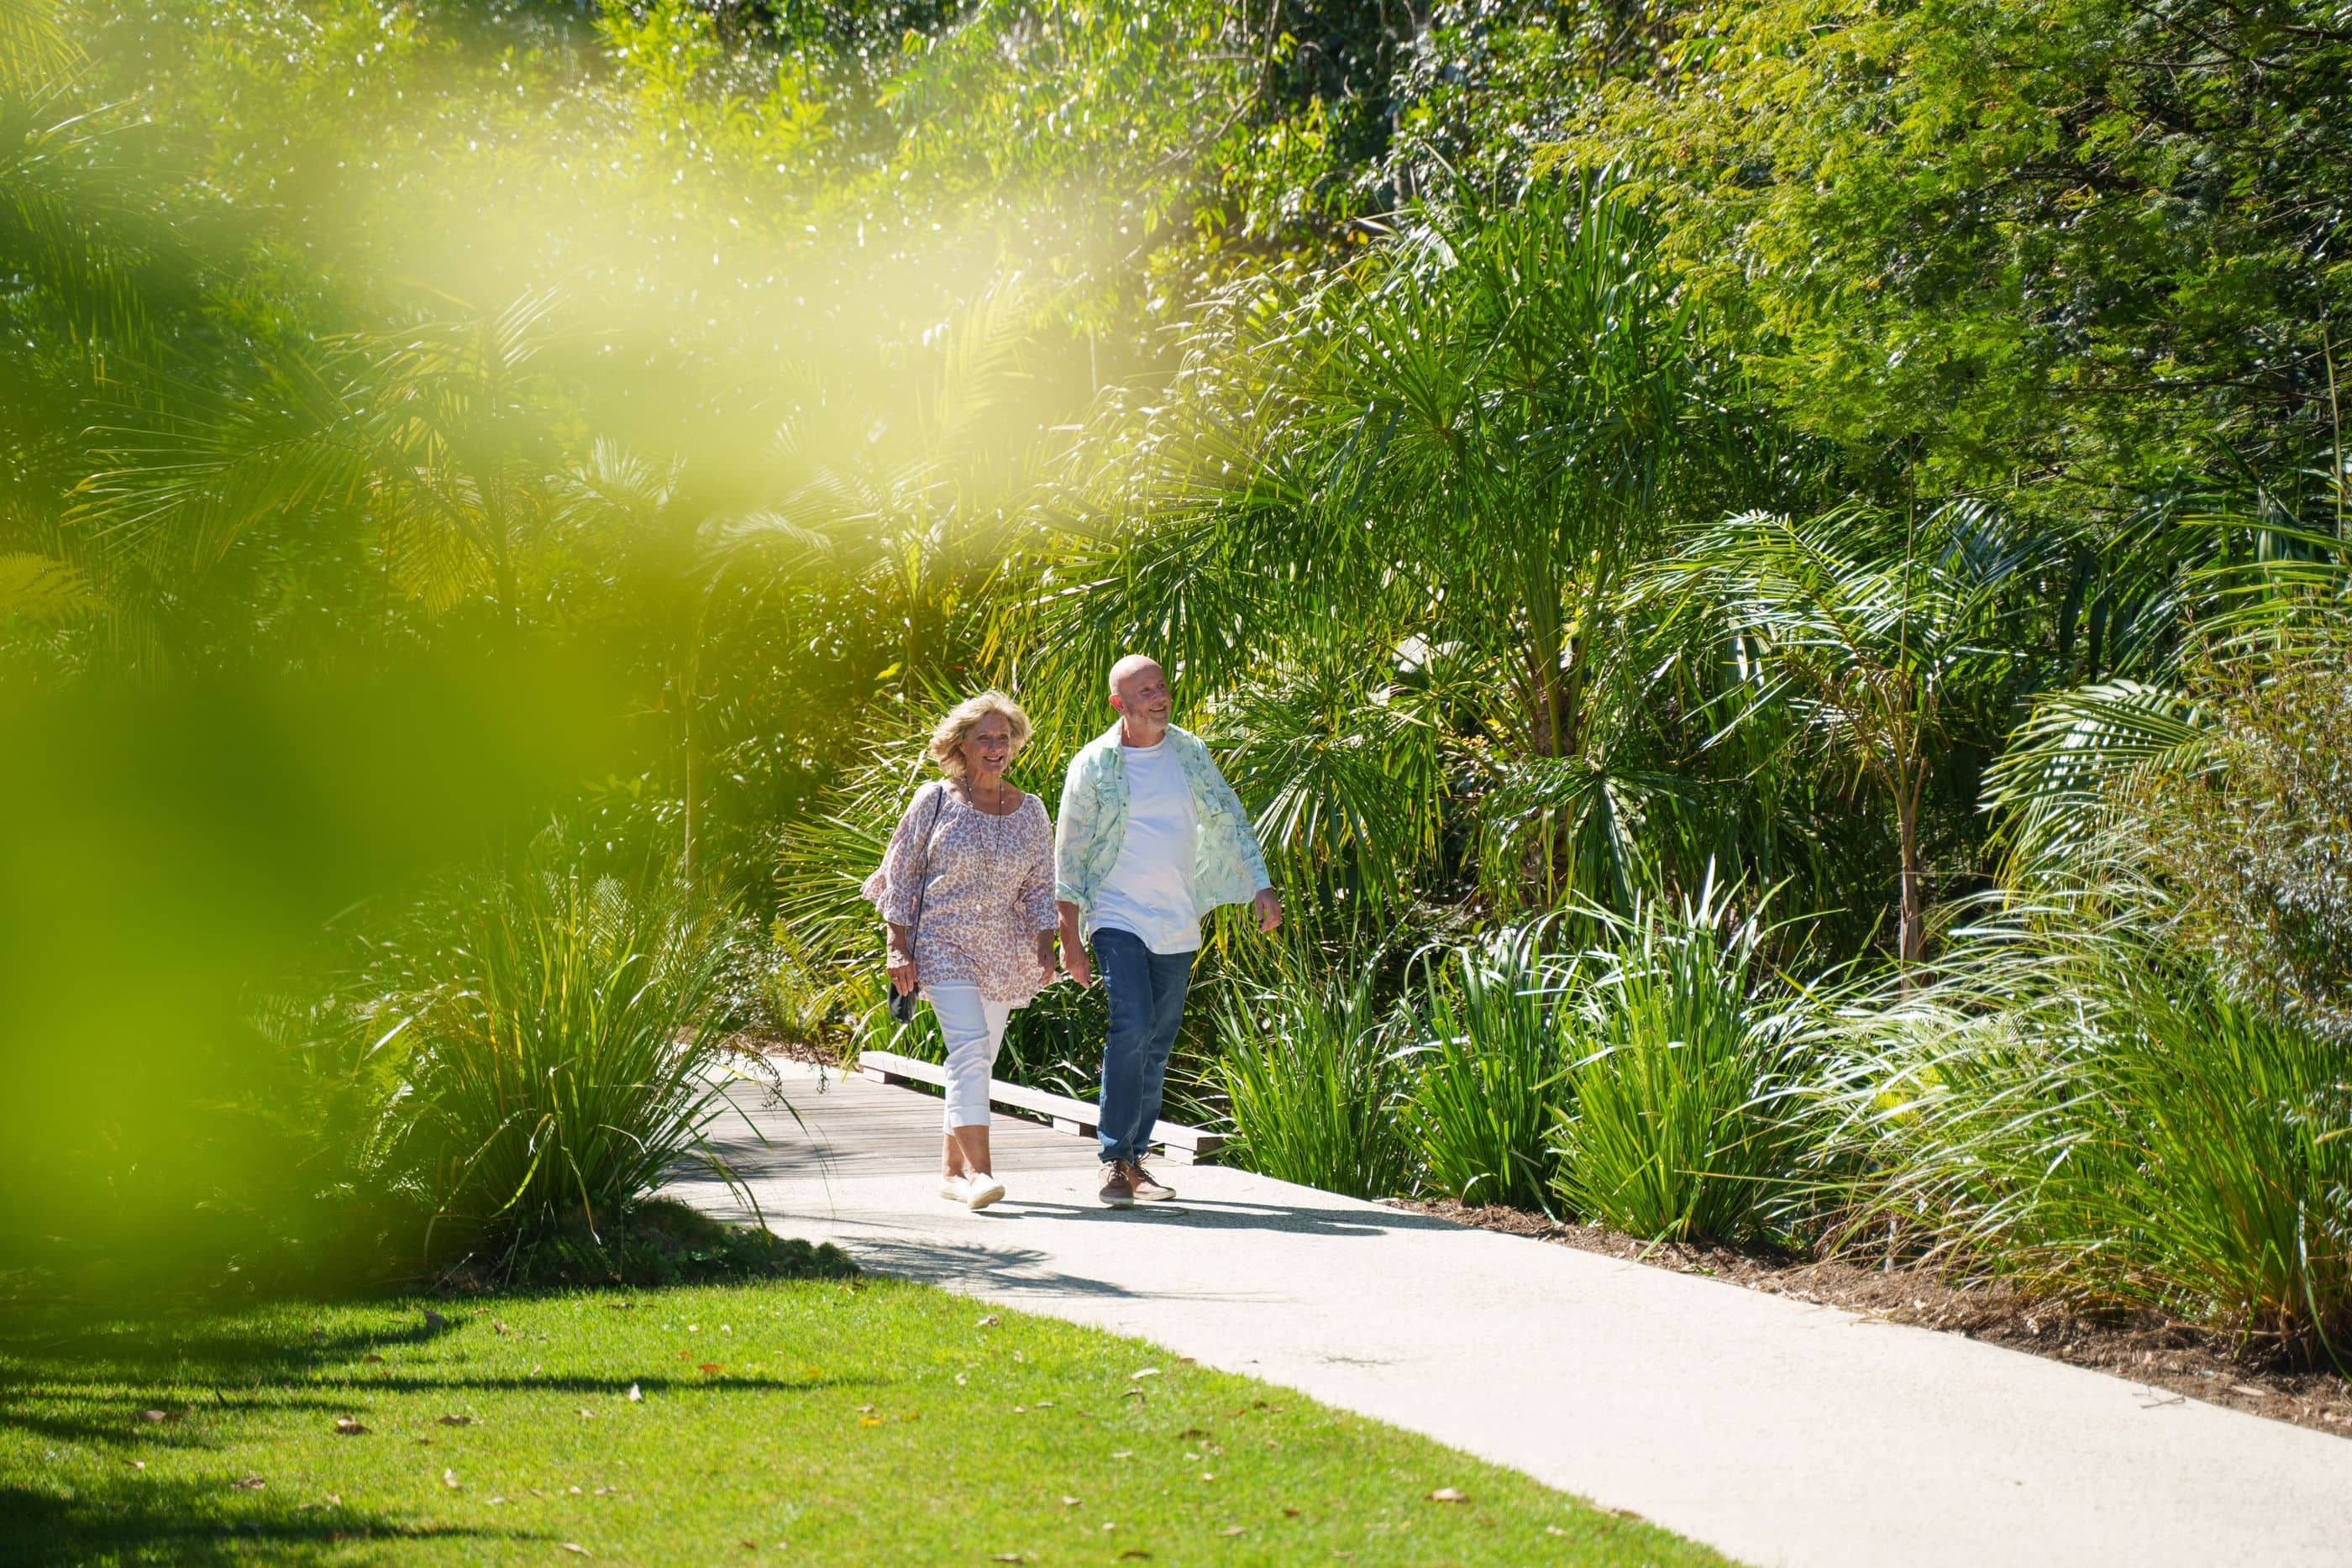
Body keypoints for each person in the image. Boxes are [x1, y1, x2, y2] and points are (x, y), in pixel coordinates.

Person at [1055, 654, 1281, 1208]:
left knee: (1157, 1041)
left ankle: (1135, 1160)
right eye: (1145, 691)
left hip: (1177, 917)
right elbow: (1070, 851)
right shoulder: (1094, 764)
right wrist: (1069, 937)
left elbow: (1229, 815)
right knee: (1130, 1022)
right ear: (1119, 704)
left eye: (1161, 686)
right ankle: (1113, 1158)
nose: (1159, 697)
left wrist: (1261, 883)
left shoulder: (1189, 752)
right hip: (1117, 913)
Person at [864, 691, 1059, 1209]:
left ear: (1014, 745)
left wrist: (1046, 945)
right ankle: (981, 1173)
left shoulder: (1033, 811)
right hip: (942, 940)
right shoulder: (936, 800)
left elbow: (1041, 886)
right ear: (963, 746)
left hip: (1004, 950)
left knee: (976, 1059)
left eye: (1004, 738)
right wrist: (897, 946)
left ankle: (950, 1172)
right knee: (970, 1048)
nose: (995, 748)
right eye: (984, 739)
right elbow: (903, 875)